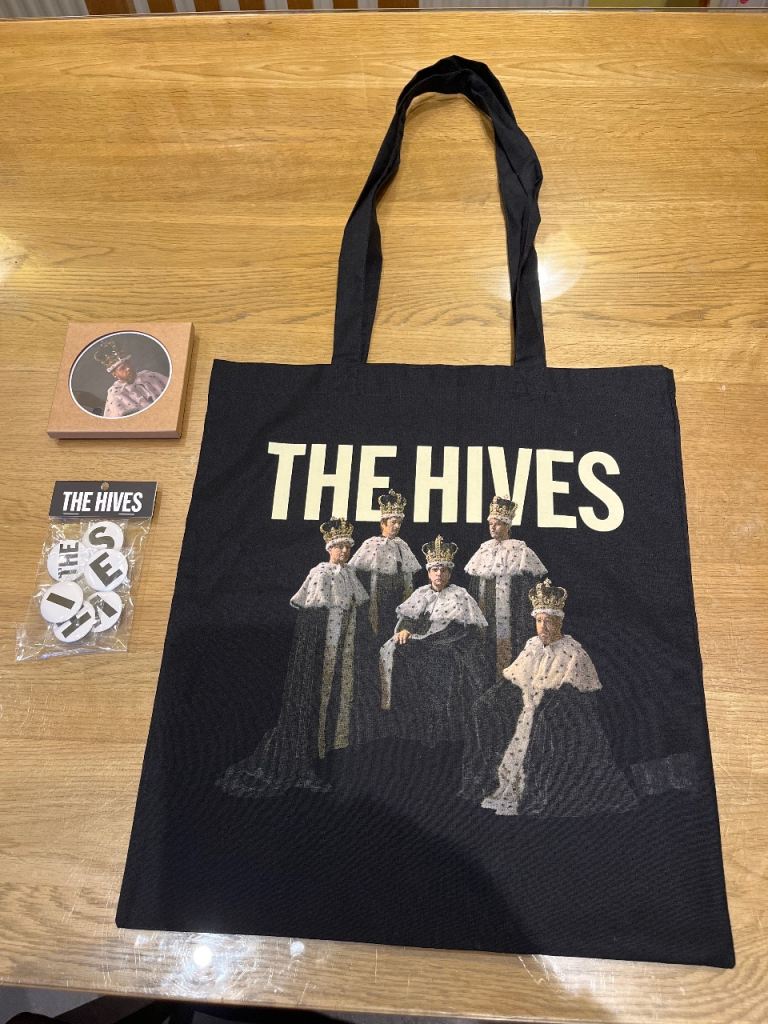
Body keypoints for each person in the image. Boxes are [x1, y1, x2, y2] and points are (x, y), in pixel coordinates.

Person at [217, 518, 370, 796]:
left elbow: (354, 609)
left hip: (341, 651)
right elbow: (313, 619)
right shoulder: (320, 574)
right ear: (329, 548)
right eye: (340, 547)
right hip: (321, 652)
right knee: (311, 705)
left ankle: (327, 763)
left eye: (348, 547)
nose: (345, 551)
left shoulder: (349, 575)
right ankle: (302, 765)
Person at [461, 578, 637, 817]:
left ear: (559, 622)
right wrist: (489, 700)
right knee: (486, 709)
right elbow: (512, 680)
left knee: (541, 731)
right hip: (527, 711)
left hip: (560, 717)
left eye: (548, 621)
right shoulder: (532, 646)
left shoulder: (573, 653)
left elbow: (577, 698)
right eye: (539, 621)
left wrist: (545, 708)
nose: (542, 627)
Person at [369, 536, 489, 749]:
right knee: (397, 652)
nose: (439, 574)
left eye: (443, 570)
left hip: (451, 644)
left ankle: (443, 733)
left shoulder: (460, 595)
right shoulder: (421, 594)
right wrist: (405, 630)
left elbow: (471, 631)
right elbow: (408, 619)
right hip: (424, 644)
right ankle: (404, 726)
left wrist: (447, 641)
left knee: (445, 666)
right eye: (435, 570)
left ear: (449, 573)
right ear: (429, 573)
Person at [465, 496, 547, 677]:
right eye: (490, 524)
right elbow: (474, 590)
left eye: (498, 524)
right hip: (486, 618)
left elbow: (528, 593)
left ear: (508, 526)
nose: (493, 527)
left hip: (514, 619)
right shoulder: (483, 552)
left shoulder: (521, 553)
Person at [348, 489, 421, 642]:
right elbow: (356, 576)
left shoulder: (402, 545)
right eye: (393, 522)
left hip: (397, 600)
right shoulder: (371, 544)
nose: (397, 526)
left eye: (399, 523)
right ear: (383, 523)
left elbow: (407, 577)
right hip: (374, 600)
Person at [93, 340, 168, 418]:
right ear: (115, 374)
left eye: (128, 363)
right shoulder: (115, 394)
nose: (128, 368)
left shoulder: (149, 376)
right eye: (122, 368)